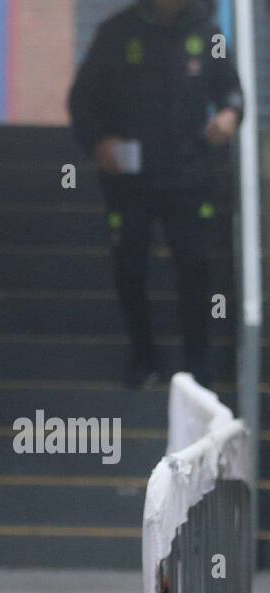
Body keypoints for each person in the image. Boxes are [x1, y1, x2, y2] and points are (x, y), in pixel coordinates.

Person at [69, 0, 243, 390]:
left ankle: (198, 364)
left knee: (195, 267)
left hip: (189, 175)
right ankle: (143, 357)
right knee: (130, 267)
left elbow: (231, 89)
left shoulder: (208, 34)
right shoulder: (115, 33)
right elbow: (82, 99)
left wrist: (230, 115)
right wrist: (98, 142)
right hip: (128, 179)